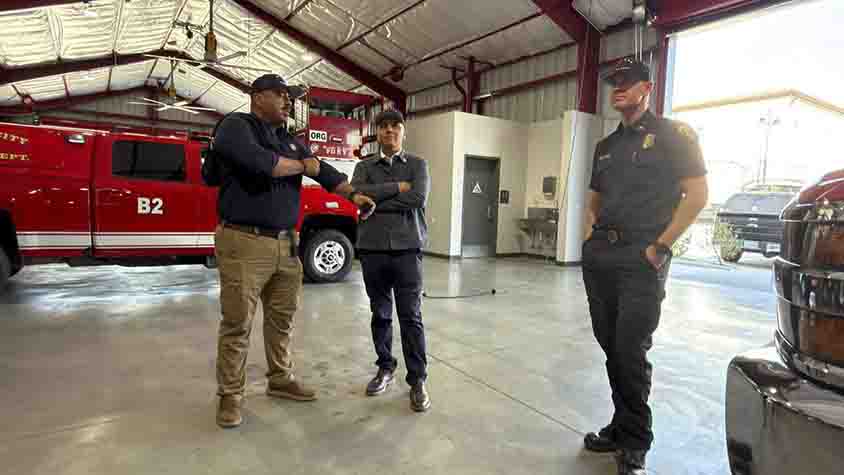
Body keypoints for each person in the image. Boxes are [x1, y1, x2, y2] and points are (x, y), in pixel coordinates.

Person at [212, 73, 375, 428]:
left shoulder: (289, 140)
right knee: (238, 323)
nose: (288, 101)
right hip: (244, 241)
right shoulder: (236, 127)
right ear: (257, 97)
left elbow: (325, 172)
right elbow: (261, 164)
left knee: (281, 319)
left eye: (290, 96)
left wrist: (354, 196)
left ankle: (280, 379)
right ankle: (230, 395)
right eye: (280, 94)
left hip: (286, 244)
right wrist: (303, 166)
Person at [580, 58, 708, 475]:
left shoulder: (674, 135)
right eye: (614, 82)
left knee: (630, 350)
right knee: (610, 346)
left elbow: (697, 195)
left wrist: (660, 247)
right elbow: (595, 200)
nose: (618, 87)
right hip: (602, 257)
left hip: (642, 257)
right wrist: (590, 239)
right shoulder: (606, 146)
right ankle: (621, 426)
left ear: (647, 88)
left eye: (628, 81)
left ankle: (635, 440)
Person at [350, 109, 432, 412]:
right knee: (380, 313)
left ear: (403, 131)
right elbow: (356, 192)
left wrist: (375, 201)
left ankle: (417, 379)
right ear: (378, 133)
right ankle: (385, 367)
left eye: (395, 125)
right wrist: (398, 187)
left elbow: (418, 198)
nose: (389, 131)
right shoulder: (364, 166)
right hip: (372, 249)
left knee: (410, 316)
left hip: (408, 248)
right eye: (383, 126)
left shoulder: (418, 165)